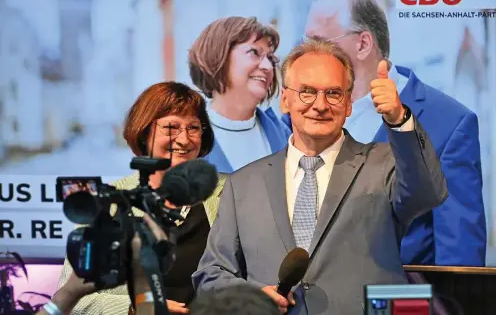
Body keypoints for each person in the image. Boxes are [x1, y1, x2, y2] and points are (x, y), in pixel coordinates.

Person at [192, 40, 447, 315]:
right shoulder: (242, 184)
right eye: (307, 92)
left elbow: (427, 193)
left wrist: (399, 119)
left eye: (334, 93)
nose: (320, 105)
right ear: (285, 100)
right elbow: (212, 274)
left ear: (349, 104)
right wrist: (251, 296)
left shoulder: (385, 163)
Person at [282, 0, 486, 266]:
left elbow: (459, 263)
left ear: (363, 43)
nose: (308, 55)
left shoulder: (449, 124)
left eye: (319, 42)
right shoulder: (294, 118)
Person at [56, 82, 227, 314]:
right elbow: (77, 299)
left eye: (193, 128)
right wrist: (135, 308)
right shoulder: (109, 201)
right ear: (145, 133)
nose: (184, 139)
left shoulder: (231, 191)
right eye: (171, 127)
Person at [189, 16, 291, 173]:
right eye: (254, 52)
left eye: (270, 58)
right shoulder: (183, 140)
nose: (268, 67)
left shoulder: (286, 137)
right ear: (219, 56)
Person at [37, 214, 166, 315]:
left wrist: (67, 295)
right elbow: (80, 306)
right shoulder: (106, 208)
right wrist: (142, 292)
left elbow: (67, 296)